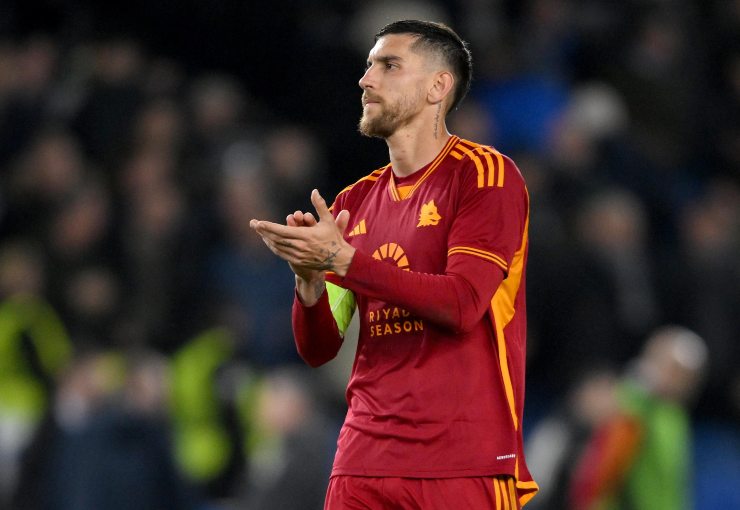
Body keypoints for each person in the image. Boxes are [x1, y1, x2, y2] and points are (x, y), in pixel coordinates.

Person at [250, 20, 538, 509]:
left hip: (459, 459)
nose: (366, 79)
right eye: (368, 66)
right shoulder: (354, 202)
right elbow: (319, 348)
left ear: (437, 86)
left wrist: (344, 259)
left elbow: (463, 304)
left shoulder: (485, 176)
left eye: (389, 65)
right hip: (361, 462)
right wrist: (310, 283)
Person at [568, 325, 708, 510]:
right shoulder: (624, 401)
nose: (679, 379)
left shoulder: (676, 418)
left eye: (686, 374)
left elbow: (672, 485)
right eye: (673, 368)